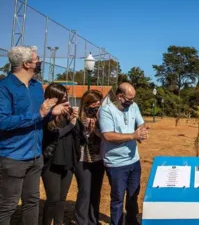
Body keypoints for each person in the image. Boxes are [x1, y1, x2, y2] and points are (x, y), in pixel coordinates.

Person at [0, 46, 69, 225]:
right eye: (37, 59)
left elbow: (42, 117)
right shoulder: (4, 88)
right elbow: (3, 122)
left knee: (32, 203)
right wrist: (38, 114)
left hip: (36, 156)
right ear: (27, 64)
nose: (40, 62)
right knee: (7, 206)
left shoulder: (37, 87)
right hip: (13, 157)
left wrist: (52, 112)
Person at [99, 82, 148, 225]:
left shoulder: (133, 106)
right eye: (129, 99)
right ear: (120, 96)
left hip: (134, 160)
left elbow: (140, 124)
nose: (131, 102)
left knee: (133, 195)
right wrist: (133, 136)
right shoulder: (106, 111)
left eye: (133, 99)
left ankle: (132, 221)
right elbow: (107, 135)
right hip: (116, 164)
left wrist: (142, 131)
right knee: (118, 198)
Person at [41, 83, 79, 225]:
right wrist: (71, 125)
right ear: (54, 99)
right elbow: (55, 133)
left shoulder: (66, 113)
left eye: (66, 98)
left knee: (62, 198)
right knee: (53, 198)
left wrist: (74, 121)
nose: (66, 102)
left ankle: (59, 222)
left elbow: (76, 136)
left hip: (67, 159)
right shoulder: (46, 114)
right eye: (63, 99)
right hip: (52, 161)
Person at [74, 89, 105, 225]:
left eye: (98, 106)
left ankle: (93, 220)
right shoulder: (77, 118)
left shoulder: (102, 118)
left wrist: (96, 129)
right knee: (85, 191)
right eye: (93, 106)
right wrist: (84, 128)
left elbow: (106, 135)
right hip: (82, 160)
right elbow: (76, 138)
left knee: (95, 192)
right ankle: (81, 221)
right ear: (86, 104)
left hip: (98, 159)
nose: (95, 109)